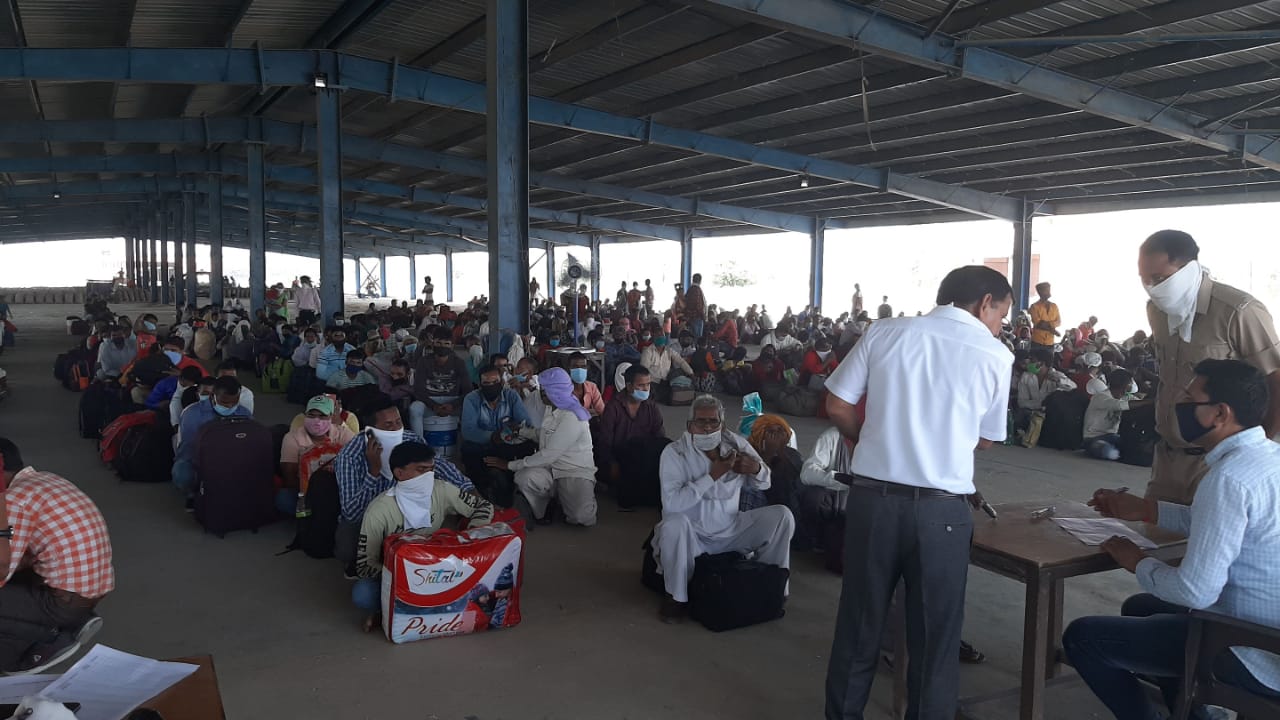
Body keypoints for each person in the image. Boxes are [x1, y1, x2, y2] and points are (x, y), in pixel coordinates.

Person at [824, 266, 1013, 719]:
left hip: (873, 503)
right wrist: (941, 437)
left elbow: (837, 404)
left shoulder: (885, 332)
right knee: (934, 638)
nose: (1000, 325)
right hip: (941, 514)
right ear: (985, 303)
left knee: (859, 624)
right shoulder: (993, 354)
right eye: (1002, 315)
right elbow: (987, 438)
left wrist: (869, 441)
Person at [1064, 359, 1280, 720]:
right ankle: (1191, 713)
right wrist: (1147, 510)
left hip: (1247, 648)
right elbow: (1219, 523)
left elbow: (1195, 592)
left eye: (1190, 400)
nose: (1180, 408)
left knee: (1082, 638)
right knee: (1141, 607)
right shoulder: (1267, 459)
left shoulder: (1229, 479)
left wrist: (1137, 561)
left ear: (1220, 413)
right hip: (1267, 631)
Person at [1138, 230, 1280, 505]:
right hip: (1169, 457)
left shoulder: (1238, 312)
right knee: (1155, 528)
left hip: (1220, 462)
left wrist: (1253, 454)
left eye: (1161, 279)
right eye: (1145, 279)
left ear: (1188, 269)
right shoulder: (1157, 311)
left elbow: (1276, 379)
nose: (1153, 288)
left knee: (1211, 530)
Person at [652, 395, 794, 622]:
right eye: (701, 422)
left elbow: (764, 483)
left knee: (782, 516)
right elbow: (672, 503)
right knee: (673, 524)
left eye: (713, 421)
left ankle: (773, 585)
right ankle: (676, 598)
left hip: (731, 531)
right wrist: (713, 475)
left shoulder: (737, 445)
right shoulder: (675, 453)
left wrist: (756, 469)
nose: (707, 428)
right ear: (689, 425)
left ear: (722, 424)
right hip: (693, 537)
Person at [352, 442, 495, 631]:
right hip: (399, 576)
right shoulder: (379, 511)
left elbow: (483, 505)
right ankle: (391, 609)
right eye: (421, 470)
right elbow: (364, 566)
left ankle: (402, 612)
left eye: (431, 469)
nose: (429, 476)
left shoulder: (441, 490)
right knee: (363, 593)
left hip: (440, 568)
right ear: (399, 473)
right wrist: (404, 575)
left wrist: (471, 535)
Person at [0, 439, 113, 674]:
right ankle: (71, 621)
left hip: (62, 602)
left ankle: (50, 638)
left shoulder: (14, 500)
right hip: (87, 590)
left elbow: (2, 570)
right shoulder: (44, 479)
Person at [333, 399, 471, 574]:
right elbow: (351, 514)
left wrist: (469, 490)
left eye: (398, 422)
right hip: (369, 519)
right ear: (370, 433)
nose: (396, 429)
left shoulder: (410, 439)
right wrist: (374, 472)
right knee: (348, 550)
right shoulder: (349, 457)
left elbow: (441, 466)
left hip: (407, 510)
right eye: (388, 425)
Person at [487, 368, 596, 527]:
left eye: (545, 391)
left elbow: (549, 454)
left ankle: (576, 496)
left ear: (556, 392)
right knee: (524, 477)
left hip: (572, 471)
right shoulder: (552, 407)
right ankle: (545, 507)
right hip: (550, 469)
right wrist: (521, 431)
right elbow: (545, 435)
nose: (541, 394)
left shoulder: (572, 416)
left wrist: (509, 465)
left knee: (581, 517)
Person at [595, 364, 669, 510]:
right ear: (629, 386)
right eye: (641, 385)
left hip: (644, 455)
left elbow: (660, 437)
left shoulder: (651, 407)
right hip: (621, 456)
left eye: (648, 384)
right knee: (627, 496)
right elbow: (605, 442)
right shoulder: (613, 407)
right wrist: (612, 463)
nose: (646, 389)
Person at [460, 365, 535, 507]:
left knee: (528, 446)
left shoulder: (511, 396)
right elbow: (468, 431)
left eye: (495, 382)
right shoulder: (471, 399)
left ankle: (507, 490)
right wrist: (494, 436)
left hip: (508, 445)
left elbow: (524, 424)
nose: (491, 386)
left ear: (501, 382)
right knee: (468, 448)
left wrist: (506, 435)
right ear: (480, 384)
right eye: (486, 383)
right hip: (483, 446)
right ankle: (480, 493)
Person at [173, 376, 251, 509]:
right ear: (213, 396)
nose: (230, 406)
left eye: (234, 402)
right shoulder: (192, 414)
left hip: (233, 457)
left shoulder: (244, 413)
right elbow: (191, 448)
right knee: (184, 475)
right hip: (198, 458)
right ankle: (193, 495)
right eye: (225, 402)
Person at [279, 395, 356, 515]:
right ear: (305, 415)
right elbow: (289, 477)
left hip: (338, 489)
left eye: (322, 416)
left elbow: (357, 462)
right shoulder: (292, 437)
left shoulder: (343, 433)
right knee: (283, 499)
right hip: (305, 490)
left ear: (331, 417)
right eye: (311, 415)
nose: (317, 420)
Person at [408, 327, 472, 441]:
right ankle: (419, 443)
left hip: (453, 401)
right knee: (414, 408)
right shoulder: (423, 361)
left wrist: (453, 405)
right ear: (433, 343)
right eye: (438, 343)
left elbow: (468, 390)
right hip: (429, 402)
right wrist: (434, 406)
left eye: (446, 344)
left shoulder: (459, 363)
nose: (442, 346)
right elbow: (418, 391)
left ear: (452, 345)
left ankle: (466, 442)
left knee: (471, 408)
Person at [1083, 369, 1134, 461]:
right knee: (1107, 451)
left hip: (1112, 436)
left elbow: (1136, 401)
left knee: (1131, 446)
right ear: (1124, 385)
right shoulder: (1100, 397)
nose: (1132, 385)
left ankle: (1118, 454)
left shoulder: (1125, 397)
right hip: (1093, 438)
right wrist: (1147, 402)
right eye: (1130, 383)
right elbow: (1119, 405)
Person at [568, 352, 605, 416]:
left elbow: (601, 410)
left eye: (583, 367)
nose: (580, 370)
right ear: (569, 368)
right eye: (575, 367)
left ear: (587, 368)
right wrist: (588, 412)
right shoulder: (563, 389)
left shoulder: (592, 387)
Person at [1029, 282, 1061, 349]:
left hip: (1050, 343)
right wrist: (1052, 330)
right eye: (1047, 290)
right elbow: (1038, 324)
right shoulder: (1034, 307)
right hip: (1037, 342)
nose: (1049, 292)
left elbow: (1059, 322)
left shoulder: (1054, 306)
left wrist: (1047, 324)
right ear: (1040, 292)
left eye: (1049, 289)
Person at [683, 273, 707, 338]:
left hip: (691, 316)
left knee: (692, 335)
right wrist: (703, 316)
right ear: (700, 280)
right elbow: (698, 305)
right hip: (696, 317)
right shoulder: (697, 290)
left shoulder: (690, 289)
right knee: (696, 336)